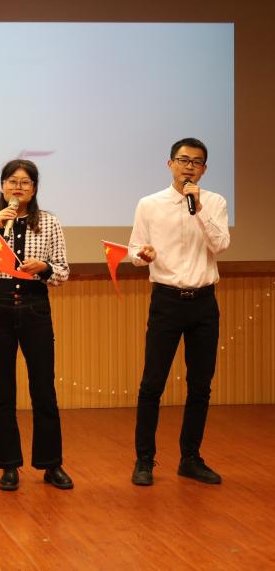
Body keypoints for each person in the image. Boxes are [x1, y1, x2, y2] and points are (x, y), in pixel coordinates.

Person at [129, 138, 230, 487]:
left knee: (200, 385)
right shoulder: (149, 204)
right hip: (167, 302)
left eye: (196, 162)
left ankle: (190, 458)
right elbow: (134, 250)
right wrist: (142, 255)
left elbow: (221, 244)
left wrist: (199, 209)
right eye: (183, 160)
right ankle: (144, 460)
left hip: (204, 302)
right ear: (170, 163)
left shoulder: (214, 202)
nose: (189, 166)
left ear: (204, 169)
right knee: (152, 384)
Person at [0, 159, 73, 492]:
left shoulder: (49, 222)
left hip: (34, 306)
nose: (18, 187)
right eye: (12, 181)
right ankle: (8, 465)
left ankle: (51, 464)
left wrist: (44, 268)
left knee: (43, 388)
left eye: (25, 182)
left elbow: (63, 272)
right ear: (2, 187)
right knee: (2, 390)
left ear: (34, 188)